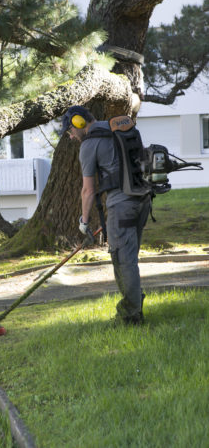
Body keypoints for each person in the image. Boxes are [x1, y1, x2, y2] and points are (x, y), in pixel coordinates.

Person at [62, 105, 151, 325]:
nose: (72, 136)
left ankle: (131, 315)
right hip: (143, 201)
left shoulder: (89, 145)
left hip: (122, 206)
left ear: (78, 122)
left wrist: (84, 222)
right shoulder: (117, 129)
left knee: (124, 261)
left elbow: (88, 190)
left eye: (70, 131)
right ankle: (133, 306)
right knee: (128, 257)